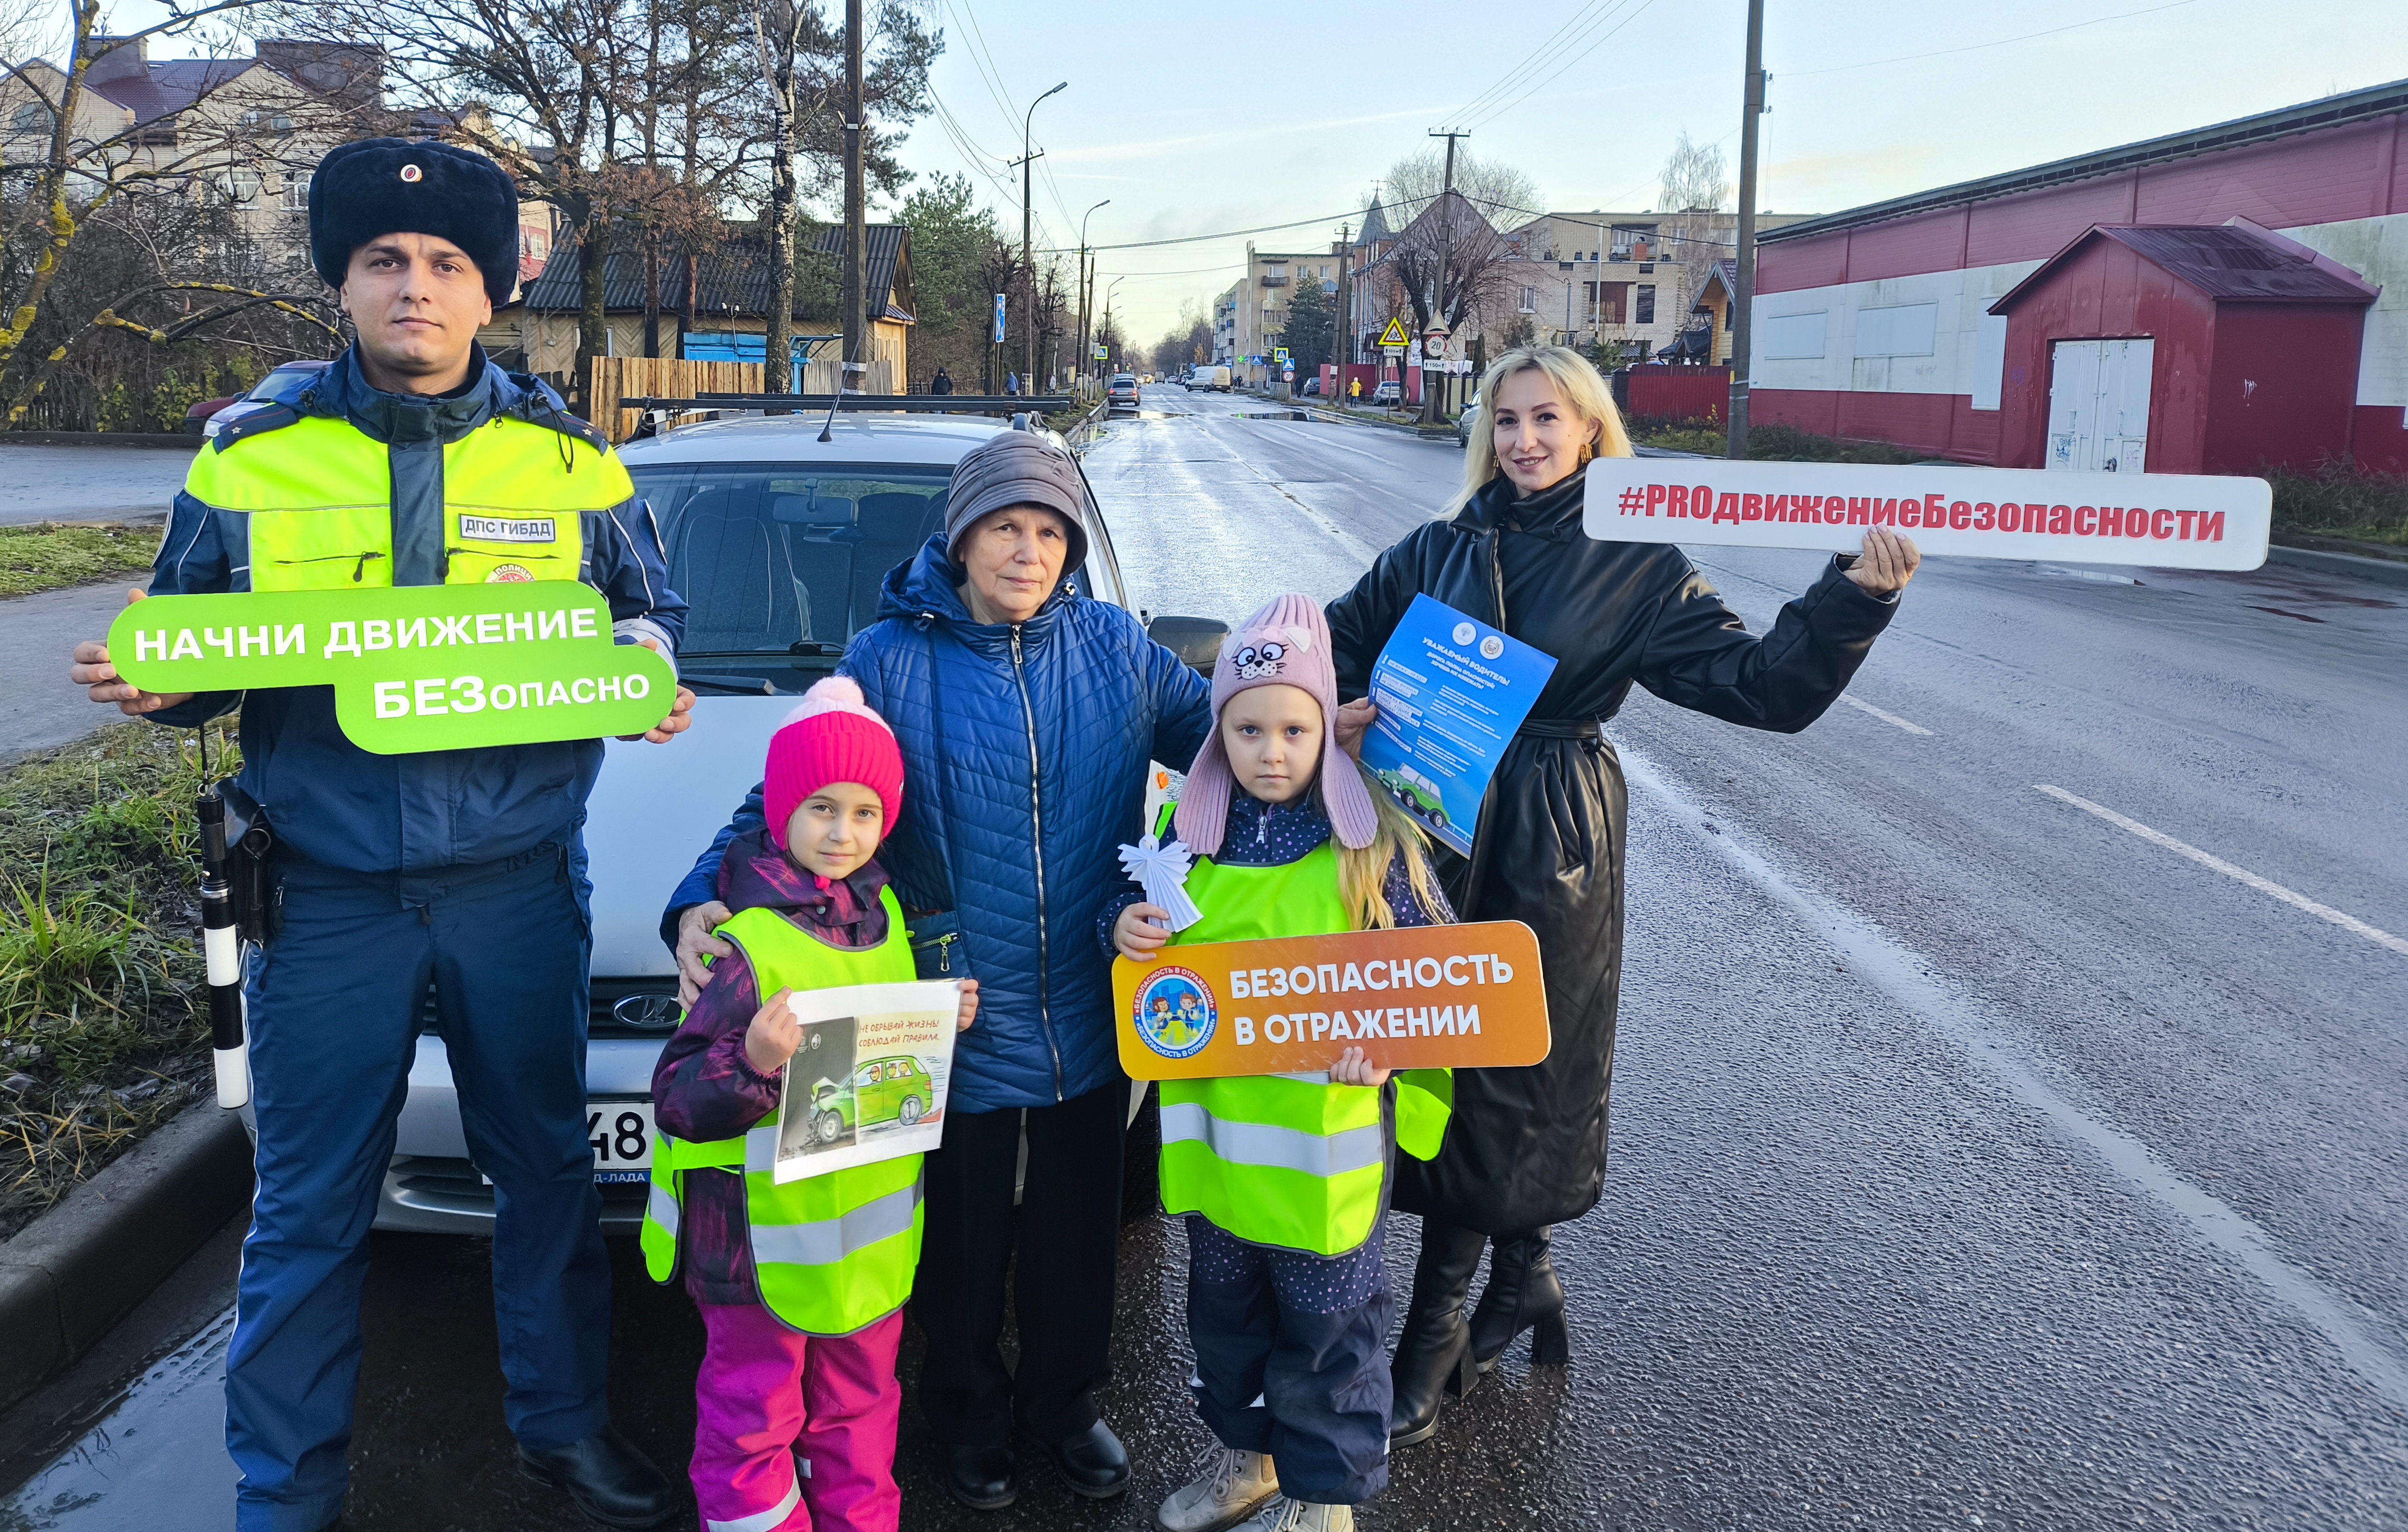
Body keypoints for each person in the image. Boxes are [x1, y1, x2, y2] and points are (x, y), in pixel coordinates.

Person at [68, 137, 694, 1532]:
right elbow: (190, 641)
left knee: (543, 1173)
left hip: (517, 887)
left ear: (492, 293)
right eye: (385, 263)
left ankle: (560, 1428)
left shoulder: (574, 464)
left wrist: (642, 662)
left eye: (446, 265)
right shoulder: (249, 459)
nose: (415, 287)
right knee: (304, 1205)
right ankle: (282, 1496)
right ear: (342, 285)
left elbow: (649, 611)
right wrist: (162, 687)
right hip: (329, 893)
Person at [1327, 343, 1918, 1447]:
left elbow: (1759, 686)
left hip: (1551, 832)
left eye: (1546, 418)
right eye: (1503, 420)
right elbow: (1336, 636)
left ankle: (1436, 1326)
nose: (1522, 441)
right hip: (1435, 830)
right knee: (1436, 1054)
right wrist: (1336, 702)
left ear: (1591, 428)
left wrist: (1852, 596)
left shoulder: (1633, 561)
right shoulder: (1435, 545)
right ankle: (1523, 1275)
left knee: (1514, 1069)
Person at [663, 430, 1210, 1512]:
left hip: (1092, 996)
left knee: (1076, 1223)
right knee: (958, 1231)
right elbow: (785, 797)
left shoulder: (1114, 646)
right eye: (1006, 526)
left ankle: (1062, 1403)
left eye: (1049, 529)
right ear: (960, 539)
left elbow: (1226, 755)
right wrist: (696, 894)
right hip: (942, 1007)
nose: (1028, 550)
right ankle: (967, 1409)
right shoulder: (885, 657)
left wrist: (1327, 733)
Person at [1107, 594, 1457, 1532]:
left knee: (1330, 1333)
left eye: (1295, 728)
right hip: (1220, 1154)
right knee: (1228, 1321)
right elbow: (1153, 980)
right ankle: (1253, 1459)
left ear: (1324, 727)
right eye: (1249, 727)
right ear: (1218, 732)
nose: (1272, 750)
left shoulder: (1371, 848)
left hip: (1323, 1160)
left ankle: (1323, 1497)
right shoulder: (1185, 846)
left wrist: (1388, 1053)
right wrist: (1129, 933)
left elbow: (1438, 980)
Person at [644, 676, 979, 1532]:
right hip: (751, 1245)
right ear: (783, 808)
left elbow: (877, 1060)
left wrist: (939, 1023)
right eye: (822, 808)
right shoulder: (743, 940)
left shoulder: (888, 914)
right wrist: (755, 1061)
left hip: (860, 1243)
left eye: (864, 814)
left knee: (862, 1408)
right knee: (753, 1415)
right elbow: (679, 1101)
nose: (843, 833)